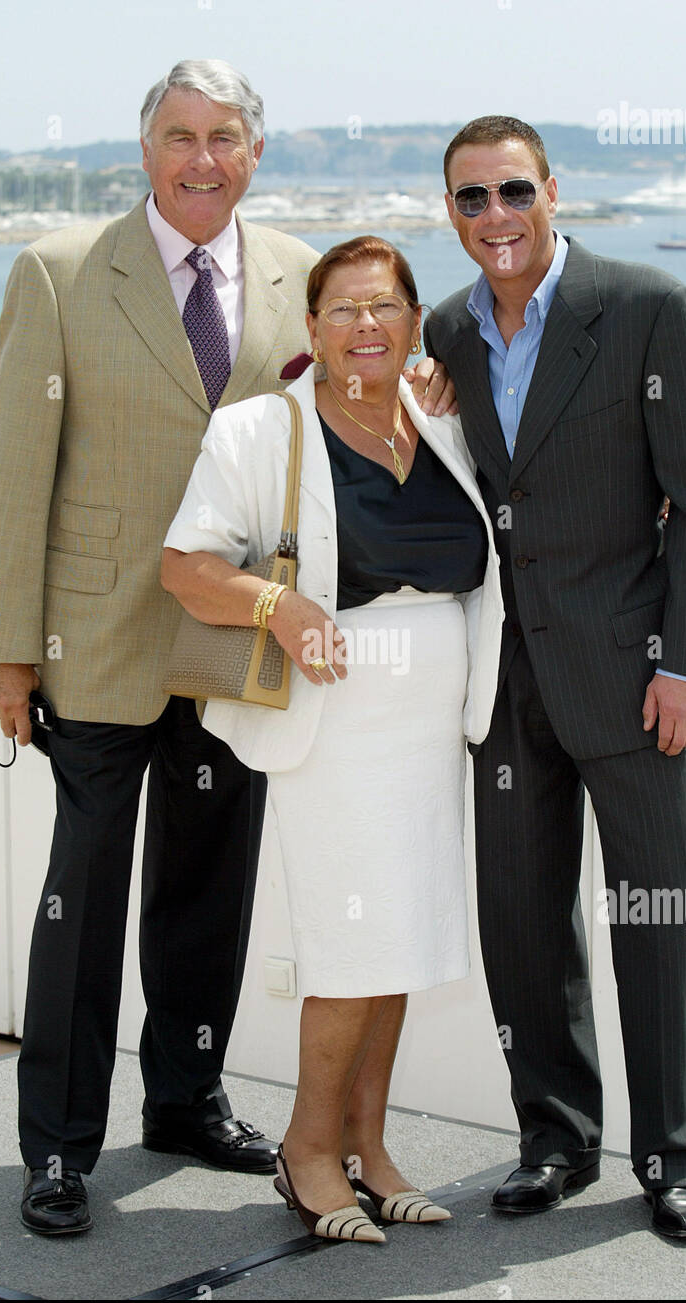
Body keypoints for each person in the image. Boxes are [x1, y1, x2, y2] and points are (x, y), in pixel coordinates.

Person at [0, 58, 451, 1238]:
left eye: (224, 138)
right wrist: (4, 652)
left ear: (255, 153)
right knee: (80, 903)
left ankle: (183, 1098)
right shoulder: (61, 271)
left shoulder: (297, 276)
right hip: (98, 645)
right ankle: (59, 1146)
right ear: (144, 150)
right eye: (179, 136)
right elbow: (13, 479)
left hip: (236, 646)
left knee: (207, 893)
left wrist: (428, 386)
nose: (201, 159)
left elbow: (353, 382)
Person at [424, 116, 686, 1241]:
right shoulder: (445, 331)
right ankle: (552, 1139)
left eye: (512, 191)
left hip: (633, 677)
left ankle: (673, 1157)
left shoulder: (649, 308)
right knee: (521, 924)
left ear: (551, 190)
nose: (494, 217)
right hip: (500, 683)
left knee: (652, 917)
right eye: (470, 200)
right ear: (450, 212)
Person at [162, 236, 503, 1243]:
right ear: (310, 328)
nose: (365, 325)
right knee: (350, 945)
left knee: (397, 938)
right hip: (335, 729)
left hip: (429, 732)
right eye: (343, 309)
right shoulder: (262, 430)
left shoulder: (441, 421)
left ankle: (370, 1143)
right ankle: (308, 1152)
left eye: (384, 307)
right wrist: (278, 605)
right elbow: (186, 568)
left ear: (412, 325)